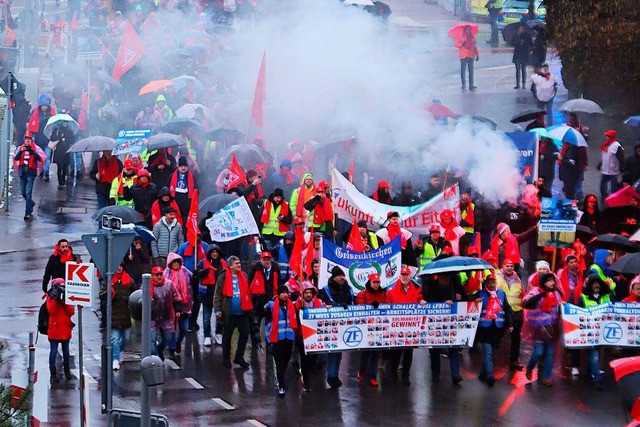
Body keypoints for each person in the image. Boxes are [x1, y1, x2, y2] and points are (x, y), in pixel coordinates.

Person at [423, 271, 466, 384]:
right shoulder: (433, 285)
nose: (444, 278)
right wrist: (443, 303)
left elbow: (465, 297)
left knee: (454, 347)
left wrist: (460, 298)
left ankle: (455, 373)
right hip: (436, 323)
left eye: (446, 276)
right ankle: (436, 373)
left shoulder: (455, 284)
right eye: (442, 276)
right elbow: (429, 300)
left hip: (452, 322)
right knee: (435, 349)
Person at [386, 267, 426, 385]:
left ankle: (405, 375)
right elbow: (387, 307)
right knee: (396, 352)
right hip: (396, 327)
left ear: (410, 276)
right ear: (399, 276)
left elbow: (420, 300)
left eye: (406, 275)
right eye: (402, 275)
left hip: (411, 327)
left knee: (409, 352)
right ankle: (393, 373)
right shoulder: (391, 292)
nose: (404, 277)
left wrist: (422, 302)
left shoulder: (416, 290)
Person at [523, 273, 563, 387]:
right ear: (543, 282)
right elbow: (526, 302)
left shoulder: (556, 294)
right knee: (538, 351)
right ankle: (530, 367)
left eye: (553, 280)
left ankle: (546, 376)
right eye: (549, 281)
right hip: (539, 329)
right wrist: (540, 296)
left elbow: (559, 308)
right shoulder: (535, 291)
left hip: (552, 329)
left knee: (550, 353)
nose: (552, 283)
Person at [214, 256, 253, 369]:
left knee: (245, 334)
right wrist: (217, 309)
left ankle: (239, 357)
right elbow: (217, 294)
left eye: (239, 263)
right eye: (236, 263)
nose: (239, 265)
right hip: (229, 313)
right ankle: (226, 358)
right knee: (227, 337)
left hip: (243, 312)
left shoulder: (244, 276)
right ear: (230, 265)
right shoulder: (223, 278)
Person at [319, 266, 354, 388]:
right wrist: (338, 306)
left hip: (344, 323)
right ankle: (330, 375)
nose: (342, 277)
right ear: (334, 277)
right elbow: (324, 303)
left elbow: (352, 302)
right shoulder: (326, 289)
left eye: (343, 275)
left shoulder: (348, 289)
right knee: (332, 350)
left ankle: (336, 374)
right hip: (331, 323)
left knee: (339, 352)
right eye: (339, 276)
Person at [476, 274, 512, 386]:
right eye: (489, 283)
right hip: (484, 328)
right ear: (486, 283)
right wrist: (475, 301)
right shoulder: (480, 294)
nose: (492, 285)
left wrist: (510, 324)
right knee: (488, 351)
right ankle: (490, 376)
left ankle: (483, 373)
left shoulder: (501, 293)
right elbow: (471, 306)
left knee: (491, 352)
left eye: (493, 282)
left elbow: (507, 309)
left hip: (497, 328)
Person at [579, 275, 612, 390]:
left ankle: (589, 373)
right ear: (590, 285)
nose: (596, 285)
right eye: (594, 283)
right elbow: (578, 313)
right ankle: (598, 379)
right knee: (594, 356)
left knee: (593, 355)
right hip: (590, 332)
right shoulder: (583, 298)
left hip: (603, 332)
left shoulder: (606, 297)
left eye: (598, 283)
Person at [264, 286, 298, 396]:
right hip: (277, 339)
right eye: (282, 293)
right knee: (279, 363)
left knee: (286, 361)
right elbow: (268, 323)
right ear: (278, 294)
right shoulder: (271, 305)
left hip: (288, 338)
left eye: (286, 292)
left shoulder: (292, 305)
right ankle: (281, 385)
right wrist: (269, 339)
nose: (285, 295)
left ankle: (281, 379)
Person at [355, 273, 387, 386]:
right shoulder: (362, 294)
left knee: (375, 354)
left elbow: (386, 306)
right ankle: (362, 371)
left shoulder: (383, 293)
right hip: (365, 328)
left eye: (378, 282)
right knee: (366, 353)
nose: (376, 285)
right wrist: (369, 306)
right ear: (370, 282)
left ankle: (372, 376)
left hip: (378, 328)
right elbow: (359, 307)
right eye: (374, 282)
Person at [103, 263, 134, 370]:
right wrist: (109, 291)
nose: (119, 268)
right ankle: (115, 359)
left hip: (126, 314)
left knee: (126, 338)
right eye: (117, 265)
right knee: (115, 339)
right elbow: (101, 295)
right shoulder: (109, 281)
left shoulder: (129, 281)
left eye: (121, 265)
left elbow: (136, 294)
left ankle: (119, 352)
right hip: (114, 314)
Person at [195, 245, 227, 346]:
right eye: (212, 252)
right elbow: (196, 274)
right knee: (206, 317)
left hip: (219, 295)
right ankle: (207, 336)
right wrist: (206, 271)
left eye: (216, 252)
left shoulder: (223, 263)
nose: (215, 254)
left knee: (219, 316)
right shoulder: (202, 262)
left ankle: (218, 333)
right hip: (206, 295)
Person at [294, 281, 323, 392]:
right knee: (304, 359)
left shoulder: (318, 303)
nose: (308, 295)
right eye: (306, 292)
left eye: (310, 292)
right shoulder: (297, 304)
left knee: (313, 359)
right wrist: (298, 311)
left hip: (315, 336)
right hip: (301, 336)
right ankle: (306, 382)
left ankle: (307, 374)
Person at [248, 251, 281, 349]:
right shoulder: (255, 269)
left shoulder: (275, 270)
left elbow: (279, 283)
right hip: (258, 300)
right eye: (264, 260)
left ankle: (269, 344)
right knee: (255, 323)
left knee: (270, 324)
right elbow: (249, 283)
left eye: (268, 260)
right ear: (260, 260)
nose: (266, 262)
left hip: (271, 300)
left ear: (271, 260)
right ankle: (255, 343)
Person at [149, 266, 183, 361]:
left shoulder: (169, 284)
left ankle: (159, 349)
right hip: (152, 317)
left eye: (161, 274)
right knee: (151, 340)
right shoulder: (146, 285)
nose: (159, 277)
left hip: (167, 315)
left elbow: (177, 297)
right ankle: (155, 360)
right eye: (157, 275)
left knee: (168, 338)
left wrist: (178, 310)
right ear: (153, 275)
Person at [46, 278, 75, 383]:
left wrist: (64, 301)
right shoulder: (50, 297)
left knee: (66, 352)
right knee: (53, 352)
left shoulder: (67, 296)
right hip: (54, 329)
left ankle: (67, 371)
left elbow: (71, 312)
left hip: (65, 329)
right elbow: (51, 310)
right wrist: (55, 298)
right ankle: (53, 373)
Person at [164, 253, 193, 357]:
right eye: (174, 262)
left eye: (177, 262)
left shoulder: (186, 272)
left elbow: (193, 281)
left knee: (184, 328)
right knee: (172, 329)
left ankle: (178, 341)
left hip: (185, 306)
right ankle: (171, 348)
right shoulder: (166, 274)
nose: (176, 264)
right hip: (171, 306)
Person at [14, 133, 44, 220]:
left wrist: (32, 152)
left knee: (28, 192)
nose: (27, 141)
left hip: (31, 173)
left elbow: (40, 159)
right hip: (22, 173)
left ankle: (27, 212)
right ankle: (31, 203)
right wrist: (21, 151)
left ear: (31, 141)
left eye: (29, 140)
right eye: (26, 139)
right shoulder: (20, 148)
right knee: (23, 192)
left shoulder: (35, 149)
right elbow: (16, 158)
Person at [27, 93, 56, 182]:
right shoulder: (36, 113)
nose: (45, 107)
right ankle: (41, 171)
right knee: (39, 156)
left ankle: (46, 172)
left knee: (47, 156)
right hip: (39, 138)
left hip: (48, 139)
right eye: (43, 105)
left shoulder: (51, 114)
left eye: (46, 106)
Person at [170, 156, 197, 225]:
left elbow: (195, 188)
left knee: (185, 219)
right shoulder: (172, 175)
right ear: (178, 167)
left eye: (185, 166)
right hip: (175, 199)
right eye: (181, 166)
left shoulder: (191, 176)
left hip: (187, 200)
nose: (183, 168)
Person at [48, 122, 76, 189]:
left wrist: (66, 139)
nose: (65, 124)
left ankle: (63, 179)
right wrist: (59, 137)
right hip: (58, 150)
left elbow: (72, 139)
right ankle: (60, 181)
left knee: (65, 166)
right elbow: (52, 138)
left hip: (66, 150)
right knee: (59, 166)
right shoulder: (57, 129)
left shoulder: (69, 130)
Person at [600, 129, 625, 200]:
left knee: (614, 187)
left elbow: (621, 158)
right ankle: (604, 196)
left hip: (613, 171)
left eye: (607, 136)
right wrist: (600, 163)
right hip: (605, 169)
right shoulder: (606, 144)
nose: (606, 137)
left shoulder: (617, 146)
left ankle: (613, 197)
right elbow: (605, 156)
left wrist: (622, 167)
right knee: (603, 185)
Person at [456, 25, 479, 91]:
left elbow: (475, 47)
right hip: (463, 56)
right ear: (465, 30)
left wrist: (477, 55)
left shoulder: (473, 38)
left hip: (471, 56)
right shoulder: (461, 37)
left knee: (471, 71)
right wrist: (462, 44)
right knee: (463, 71)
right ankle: (463, 84)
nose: (469, 31)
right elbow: (456, 44)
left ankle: (471, 85)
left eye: (470, 30)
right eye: (467, 29)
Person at [511, 24, 533, 89]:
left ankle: (524, 83)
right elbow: (512, 43)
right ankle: (517, 83)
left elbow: (531, 44)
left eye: (523, 29)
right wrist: (518, 41)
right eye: (521, 29)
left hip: (525, 54)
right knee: (517, 69)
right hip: (517, 53)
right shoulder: (516, 35)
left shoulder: (528, 36)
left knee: (523, 69)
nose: (522, 30)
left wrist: (526, 45)